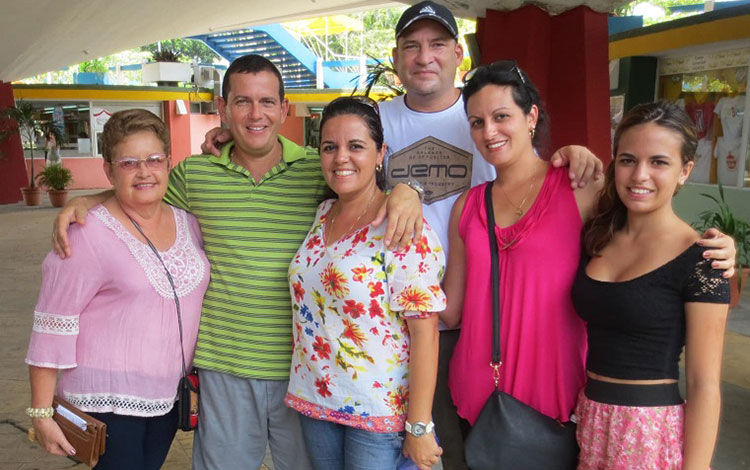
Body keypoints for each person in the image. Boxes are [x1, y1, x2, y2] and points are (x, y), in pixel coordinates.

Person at [200, 4, 605, 467]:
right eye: (412, 46)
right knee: (454, 452)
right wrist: (233, 134)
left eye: (437, 45)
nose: (424, 57)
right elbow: (328, 161)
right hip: (420, 330)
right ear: (395, 57)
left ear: (458, 54)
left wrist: (577, 154)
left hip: (470, 329)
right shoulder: (377, 121)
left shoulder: (545, 163)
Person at [51, 55, 424, 470]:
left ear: (284, 109)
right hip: (223, 366)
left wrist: (405, 189)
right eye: (242, 102)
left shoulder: (316, 168)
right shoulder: (195, 175)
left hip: (304, 371)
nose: (255, 113)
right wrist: (86, 200)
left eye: (267, 102)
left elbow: (360, 180)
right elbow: (139, 189)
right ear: (223, 109)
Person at [440, 63, 736, 438]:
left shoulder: (580, 187)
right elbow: (449, 309)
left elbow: (647, 235)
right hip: (476, 396)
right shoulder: (467, 206)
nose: (489, 131)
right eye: (476, 122)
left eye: (501, 116)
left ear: (531, 116)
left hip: (556, 400)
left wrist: (717, 247)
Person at [26, 109, 210, 470]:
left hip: (167, 398)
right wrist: (41, 412)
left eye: (154, 159)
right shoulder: (86, 233)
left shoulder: (188, 224)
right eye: (129, 163)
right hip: (106, 402)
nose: (145, 171)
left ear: (168, 163)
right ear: (109, 171)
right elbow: (52, 324)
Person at [286, 97, 444, 470]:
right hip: (316, 400)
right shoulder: (322, 213)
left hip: (377, 414)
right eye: (330, 147)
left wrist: (419, 426)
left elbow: (426, 332)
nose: (341, 157)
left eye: (356, 146)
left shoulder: (401, 224)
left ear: (380, 153)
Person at [572, 101, 730, 469]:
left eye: (659, 162)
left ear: (685, 171)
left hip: (648, 431)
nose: (639, 175)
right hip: (590, 419)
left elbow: (704, 382)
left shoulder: (703, 259)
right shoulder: (598, 233)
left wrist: (698, 466)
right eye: (628, 160)